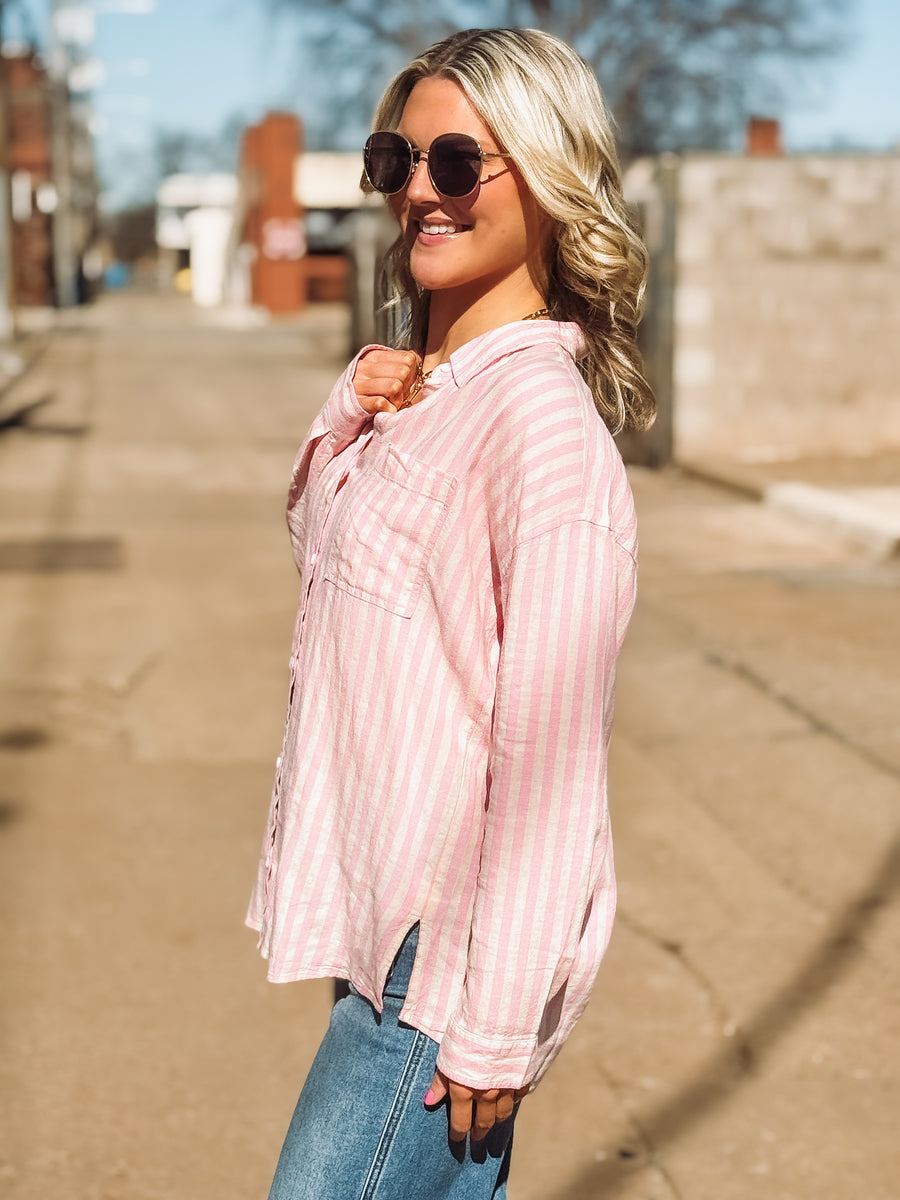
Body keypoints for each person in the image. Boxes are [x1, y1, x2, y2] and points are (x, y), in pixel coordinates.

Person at [247, 26, 655, 1200]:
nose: (420, 191)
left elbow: (550, 755)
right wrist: (348, 413)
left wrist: (496, 1015)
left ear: (547, 175)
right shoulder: (423, 394)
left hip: (449, 958)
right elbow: (335, 570)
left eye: (458, 163)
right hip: (389, 921)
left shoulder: (541, 435)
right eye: (397, 160)